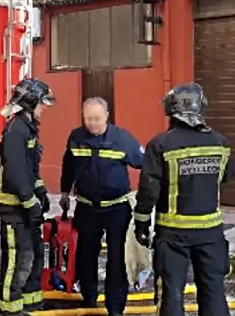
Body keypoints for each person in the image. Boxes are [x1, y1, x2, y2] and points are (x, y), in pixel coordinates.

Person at [133, 83, 234, 316]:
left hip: (172, 235)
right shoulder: (221, 143)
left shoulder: (160, 144)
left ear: (170, 110)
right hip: (211, 232)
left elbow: (149, 190)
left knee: (172, 293)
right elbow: (226, 176)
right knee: (213, 291)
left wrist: (141, 224)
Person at [59, 97, 144, 316]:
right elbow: (68, 165)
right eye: (88, 118)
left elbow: (146, 163)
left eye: (97, 118)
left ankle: (115, 308)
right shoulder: (76, 137)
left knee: (117, 260)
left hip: (117, 209)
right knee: (86, 256)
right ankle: (88, 299)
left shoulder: (123, 139)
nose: (93, 123)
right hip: (87, 208)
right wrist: (65, 192)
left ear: (107, 115)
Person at [0, 77, 55, 315]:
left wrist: (40, 190)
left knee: (34, 253)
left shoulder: (28, 128)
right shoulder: (16, 130)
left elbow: (30, 169)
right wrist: (31, 202)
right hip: (13, 207)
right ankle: (9, 307)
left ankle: (31, 300)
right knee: (17, 259)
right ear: (30, 103)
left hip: (25, 204)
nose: (44, 109)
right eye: (41, 104)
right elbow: (16, 173)